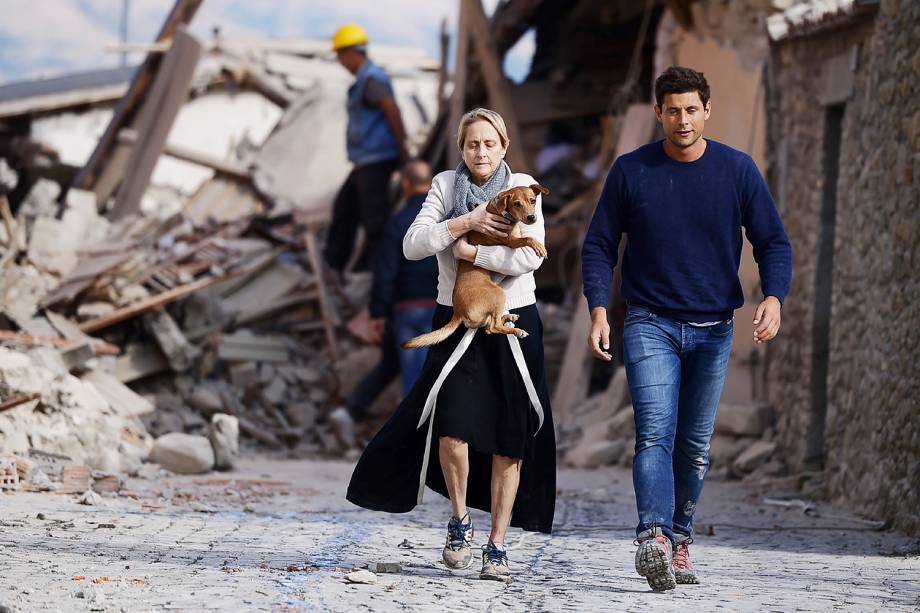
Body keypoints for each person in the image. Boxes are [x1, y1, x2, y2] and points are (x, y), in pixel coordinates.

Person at [581, 66, 792, 591]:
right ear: (658, 113)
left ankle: (679, 541)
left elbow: (772, 242)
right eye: (672, 110)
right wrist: (599, 309)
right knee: (654, 432)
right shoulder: (632, 171)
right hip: (649, 321)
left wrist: (774, 297)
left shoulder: (738, 171)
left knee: (695, 445)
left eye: (691, 109)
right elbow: (599, 245)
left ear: (707, 110)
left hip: (714, 328)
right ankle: (652, 536)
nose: (682, 119)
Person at [346, 108, 556, 583]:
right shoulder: (444, 186)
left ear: (503, 147)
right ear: (461, 149)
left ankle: (497, 545)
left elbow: (531, 256)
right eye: (472, 144)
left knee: (510, 440)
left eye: (489, 144)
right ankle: (459, 520)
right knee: (451, 428)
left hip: (515, 318)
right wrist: (465, 223)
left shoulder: (524, 186)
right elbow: (413, 244)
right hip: (458, 318)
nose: (481, 152)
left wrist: (471, 253)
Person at [329, 159, 439, 448]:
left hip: (407, 310)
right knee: (422, 374)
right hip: (441, 307)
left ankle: (350, 412)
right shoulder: (446, 221)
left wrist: (378, 313)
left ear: (405, 184)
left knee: (400, 366)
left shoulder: (398, 221)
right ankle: (414, 444)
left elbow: (386, 272)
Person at [323, 23, 408, 276]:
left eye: (340, 55)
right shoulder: (364, 79)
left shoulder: (372, 78)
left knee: (375, 220)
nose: (340, 62)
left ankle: (383, 269)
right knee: (344, 209)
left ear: (351, 52)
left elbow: (391, 109)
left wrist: (402, 147)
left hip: (377, 159)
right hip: (365, 161)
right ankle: (334, 265)